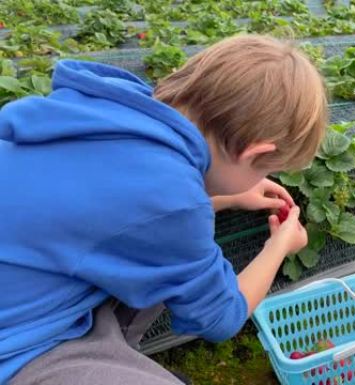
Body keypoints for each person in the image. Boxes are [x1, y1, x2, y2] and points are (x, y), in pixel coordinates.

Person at [0, 34, 328, 385]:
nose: (260, 179)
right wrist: (278, 246)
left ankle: (113, 355)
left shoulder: (110, 110)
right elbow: (222, 316)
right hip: (16, 344)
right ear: (253, 154)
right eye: (264, 169)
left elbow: (120, 206)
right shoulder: (171, 205)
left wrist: (228, 198)